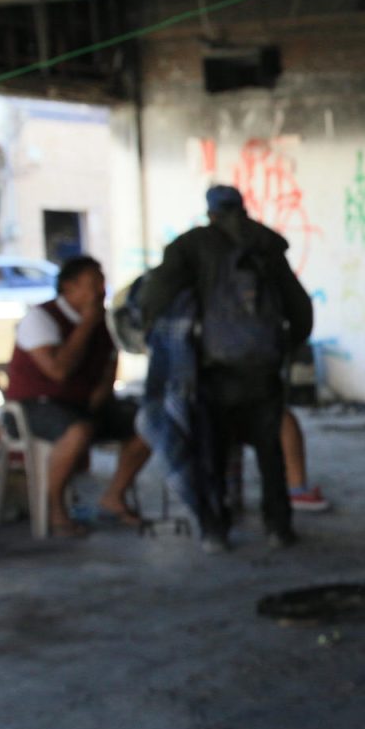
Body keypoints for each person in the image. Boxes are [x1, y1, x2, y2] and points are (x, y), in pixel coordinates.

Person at [139, 185, 313, 551]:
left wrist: (156, 335)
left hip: (213, 368)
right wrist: (286, 346)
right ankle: (278, 528)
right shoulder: (266, 243)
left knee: (211, 451)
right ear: (243, 208)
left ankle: (216, 529)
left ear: (211, 212)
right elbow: (299, 306)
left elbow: (157, 294)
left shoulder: (191, 245)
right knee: (270, 452)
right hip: (263, 367)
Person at [3, 255, 151, 537]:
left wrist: (100, 397)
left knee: (148, 423)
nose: (99, 290)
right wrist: (85, 325)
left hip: (80, 405)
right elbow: (59, 370)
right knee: (77, 431)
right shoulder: (42, 318)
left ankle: (113, 497)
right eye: (92, 284)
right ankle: (57, 511)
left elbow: (109, 364)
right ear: (69, 288)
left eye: (101, 283)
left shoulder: (101, 321)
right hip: (34, 407)